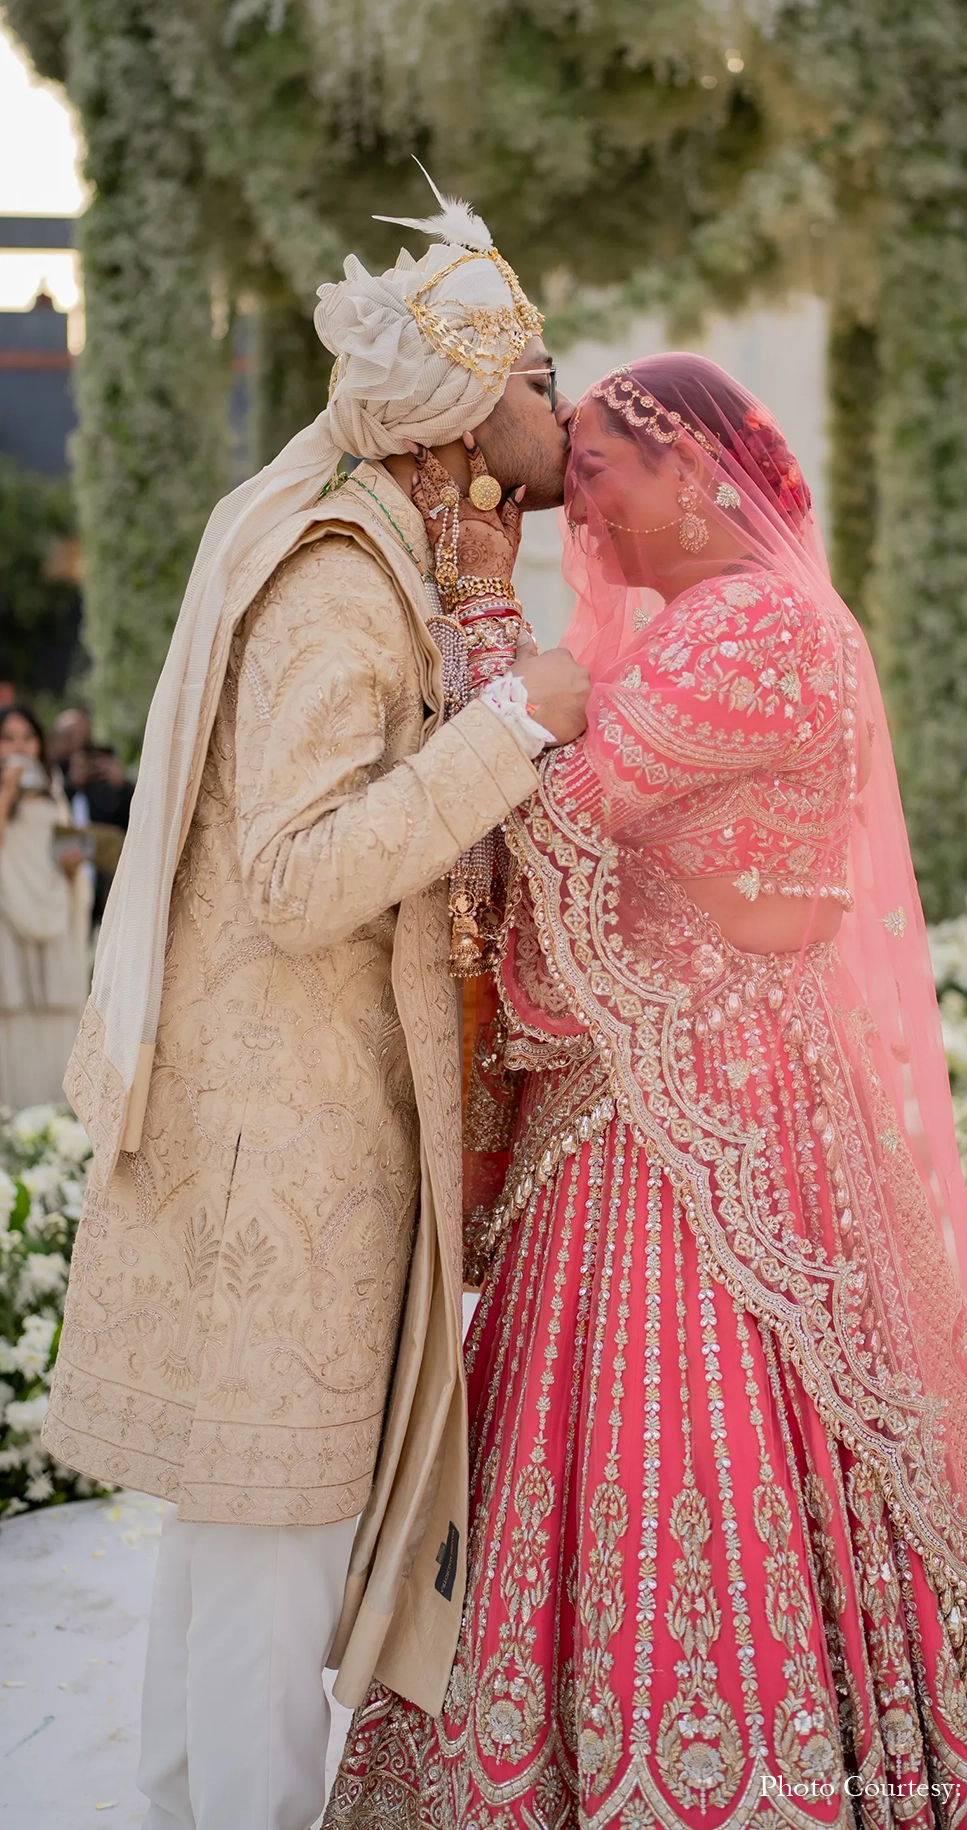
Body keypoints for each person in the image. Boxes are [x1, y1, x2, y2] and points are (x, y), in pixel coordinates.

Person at [324, 356, 967, 1830]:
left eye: (603, 463)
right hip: (671, 1099)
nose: (578, 499)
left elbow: (545, 814)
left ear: (694, 472)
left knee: (704, 1411)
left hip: (703, 1120)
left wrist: (484, 608)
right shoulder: (719, 625)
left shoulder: (757, 630)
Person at [42, 186, 590, 1830]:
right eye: (542, 384)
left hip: (291, 1143)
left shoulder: (362, 551)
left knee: (236, 1563)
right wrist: (514, 736)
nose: (565, 416)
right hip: (283, 1164)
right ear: (464, 422)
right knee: (266, 1581)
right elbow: (292, 877)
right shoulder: (344, 581)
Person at [0, 704, 91, 1107]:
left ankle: (56, 1116)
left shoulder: (55, 796)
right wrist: (6, 792)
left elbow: (67, 860)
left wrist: (73, 868)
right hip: (7, 914)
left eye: (27, 737)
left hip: (52, 912)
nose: (19, 746)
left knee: (54, 1017)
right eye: (8, 738)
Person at [46, 707, 135, 924]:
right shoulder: (47, 775)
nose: (76, 745)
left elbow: (130, 826)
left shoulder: (104, 785)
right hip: (55, 887)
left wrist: (122, 786)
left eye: (83, 739)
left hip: (101, 892)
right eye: (68, 737)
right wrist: (71, 784)